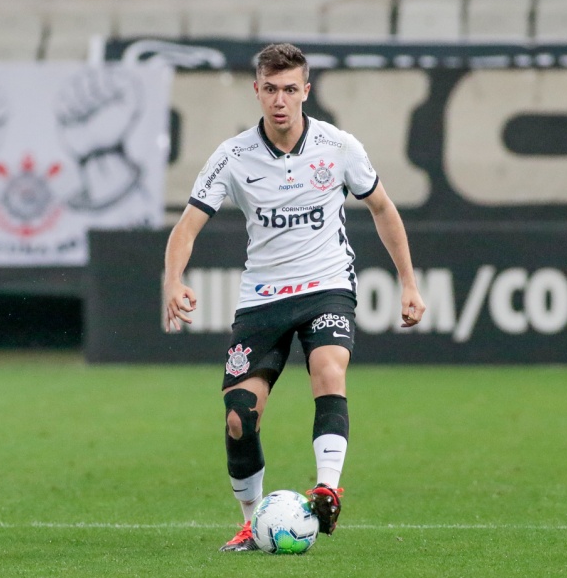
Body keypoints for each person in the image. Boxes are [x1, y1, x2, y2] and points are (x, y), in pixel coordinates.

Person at [163, 43, 425, 552]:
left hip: (326, 285)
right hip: (262, 298)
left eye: (290, 89)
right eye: (270, 89)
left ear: (306, 91)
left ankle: (327, 485)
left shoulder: (339, 146)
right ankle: (250, 520)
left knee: (329, 369)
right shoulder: (233, 156)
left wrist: (408, 282)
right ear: (256, 91)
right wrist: (173, 280)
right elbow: (187, 225)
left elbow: (384, 209)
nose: (280, 100)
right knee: (239, 417)